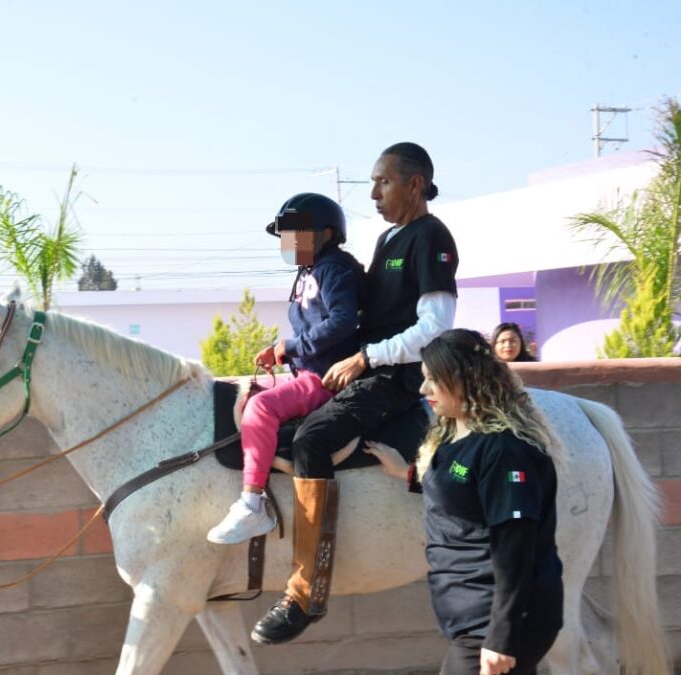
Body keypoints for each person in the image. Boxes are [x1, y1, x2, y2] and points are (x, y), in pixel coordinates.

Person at [252, 142, 459, 644]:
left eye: (383, 182)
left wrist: (366, 358)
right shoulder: (389, 238)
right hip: (366, 369)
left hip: (397, 376)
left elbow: (434, 326)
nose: (373, 193)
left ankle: (306, 592)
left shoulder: (431, 237)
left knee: (312, 440)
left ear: (414, 184)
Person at [365, 329, 563, 675]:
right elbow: (462, 487)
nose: (423, 390)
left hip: (498, 622)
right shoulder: (457, 434)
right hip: (473, 618)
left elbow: (514, 547)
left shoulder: (505, 451)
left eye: (432, 380)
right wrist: (409, 475)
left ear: (464, 380)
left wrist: (501, 637)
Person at [206, 193, 364, 544]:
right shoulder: (309, 272)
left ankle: (252, 503)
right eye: (284, 236)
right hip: (307, 371)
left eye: (294, 233)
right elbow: (313, 331)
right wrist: (281, 352)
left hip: (326, 378)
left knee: (260, 407)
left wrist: (289, 347)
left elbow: (342, 321)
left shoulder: (334, 269)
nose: (286, 242)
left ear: (324, 233)